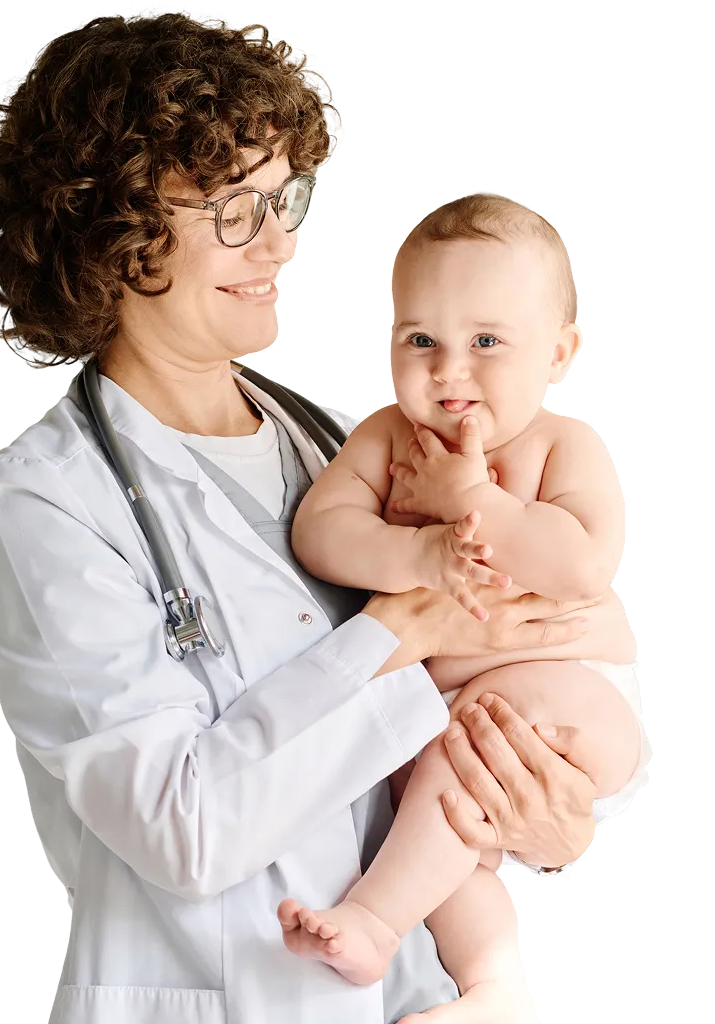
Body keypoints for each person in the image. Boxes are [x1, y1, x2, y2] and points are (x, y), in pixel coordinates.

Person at [0, 11, 613, 1024]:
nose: (280, 243)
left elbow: (517, 684)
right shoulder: (43, 505)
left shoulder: (347, 442)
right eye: (231, 211)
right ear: (111, 227)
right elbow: (183, 827)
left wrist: (546, 813)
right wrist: (409, 625)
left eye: (283, 200)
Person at [277, 192, 650, 1020]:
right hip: (439, 708)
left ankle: (375, 919)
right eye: (421, 340)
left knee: (474, 741)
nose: (448, 369)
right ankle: (492, 985)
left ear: (559, 352)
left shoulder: (564, 446)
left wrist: (475, 496)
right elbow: (321, 532)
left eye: (485, 341)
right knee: (442, 821)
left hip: (565, 689)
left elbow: (585, 566)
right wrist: (412, 552)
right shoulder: (384, 437)